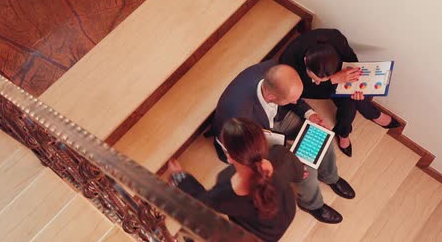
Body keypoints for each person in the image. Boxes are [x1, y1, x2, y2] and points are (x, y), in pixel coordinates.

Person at [211, 61, 354, 224]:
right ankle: (311, 204)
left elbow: (294, 98)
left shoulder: (275, 72)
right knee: (305, 169)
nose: (296, 102)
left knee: (321, 137)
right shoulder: (237, 116)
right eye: (291, 100)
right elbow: (247, 155)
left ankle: (329, 176)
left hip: (274, 118)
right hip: (246, 143)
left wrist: (310, 115)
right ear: (272, 97)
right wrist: (291, 161)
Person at [167, 118, 306, 241]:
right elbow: (299, 172)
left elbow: (202, 202)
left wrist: (180, 177)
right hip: (288, 211)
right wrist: (300, 173)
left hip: (261, 234)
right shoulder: (281, 156)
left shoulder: (225, 191)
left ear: (229, 157)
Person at [279, 29, 401, 158]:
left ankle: (343, 132)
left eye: (322, 80)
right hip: (309, 88)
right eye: (316, 79)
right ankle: (370, 113)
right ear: (305, 61)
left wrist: (348, 79)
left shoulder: (336, 38)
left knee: (350, 101)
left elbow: (352, 62)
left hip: (338, 76)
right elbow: (299, 92)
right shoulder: (288, 62)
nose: (318, 82)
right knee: (350, 100)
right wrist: (331, 80)